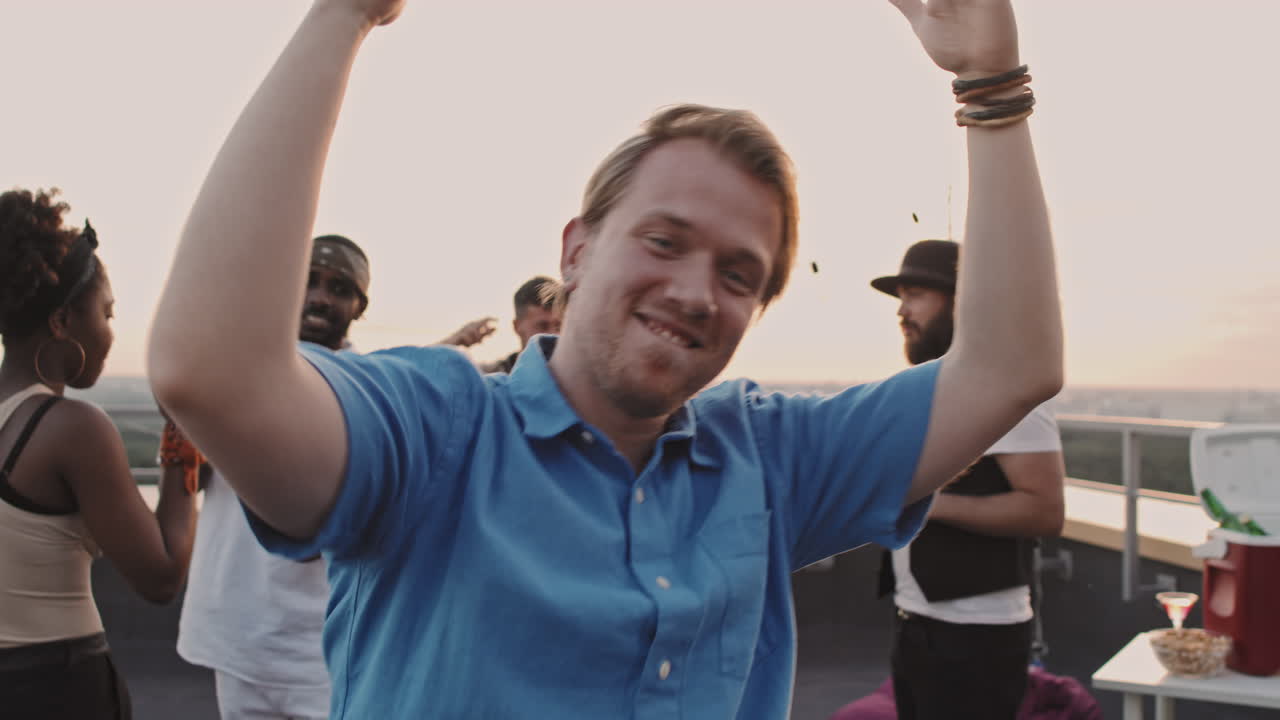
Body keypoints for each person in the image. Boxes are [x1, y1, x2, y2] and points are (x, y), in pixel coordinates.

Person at [148, 0, 1063, 716]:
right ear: (576, 250)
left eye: (739, 272)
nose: (698, 291)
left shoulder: (769, 459)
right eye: (663, 241)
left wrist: (991, 85)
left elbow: (1009, 368)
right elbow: (213, 371)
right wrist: (343, 13)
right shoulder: (437, 428)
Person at [0, 188, 199, 719]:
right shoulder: (71, 428)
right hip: (54, 687)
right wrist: (183, 441)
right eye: (107, 313)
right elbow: (160, 575)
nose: (110, 333)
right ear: (63, 322)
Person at [176, 234, 375, 720]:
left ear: (359, 306)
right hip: (236, 639)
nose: (321, 297)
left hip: (324, 654)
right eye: (308, 280)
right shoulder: (233, 368)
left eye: (339, 287)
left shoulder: (370, 388)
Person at [870, 239, 1066, 720]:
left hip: (976, 638)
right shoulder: (930, 388)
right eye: (901, 298)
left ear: (964, 301)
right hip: (916, 624)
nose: (902, 311)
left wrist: (926, 504)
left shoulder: (1006, 391)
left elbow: (1045, 509)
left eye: (915, 294)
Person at [483, 275, 562, 373]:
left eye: (558, 326)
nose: (554, 334)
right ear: (517, 326)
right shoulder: (488, 381)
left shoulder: (580, 379)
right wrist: (458, 346)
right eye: (543, 326)